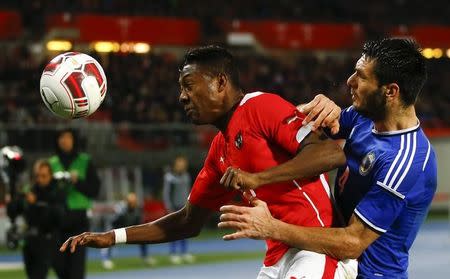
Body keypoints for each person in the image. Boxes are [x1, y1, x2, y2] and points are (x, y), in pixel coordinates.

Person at [60, 45, 354, 278]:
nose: (182, 97)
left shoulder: (260, 106)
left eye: (189, 86)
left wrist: (257, 178)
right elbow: (188, 221)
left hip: (317, 248)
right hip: (277, 255)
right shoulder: (219, 151)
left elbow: (329, 153)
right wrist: (112, 237)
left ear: (221, 82)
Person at [218, 38, 437, 279]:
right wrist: (319, 108)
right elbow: (296, 133)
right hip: (330, 263)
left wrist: (271, 228)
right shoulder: (362, 118)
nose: (350, 81)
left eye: (361, 76)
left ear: (391, 91)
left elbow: (353, 241)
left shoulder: (406, 160)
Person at [50, 129, 101, 279]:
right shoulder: (52, 162)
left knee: (76, 268)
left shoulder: (85, 160)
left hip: (78, 219)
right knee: (58, 264)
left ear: (74, 140)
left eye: (68, 137)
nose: (64, 140)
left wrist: (77, 181)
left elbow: (94, 190)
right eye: (61, 137)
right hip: (57, 219)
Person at [7, 159, 66, 279]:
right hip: (30, 241)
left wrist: (36, 202)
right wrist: (12, 201)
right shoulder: (30, 190)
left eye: (43, 176)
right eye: (37, 176)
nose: (40, 179)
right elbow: (13, 212)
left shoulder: (57, 192)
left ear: (50, 175)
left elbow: (59, 216)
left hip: (49, 241)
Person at [101, 192, 155, 269]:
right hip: (116, 227)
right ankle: (106, 259)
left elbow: (139, 222)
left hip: (128, 227)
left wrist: (138, 231)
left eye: (134, 201)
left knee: (143, 238)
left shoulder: (138, 209)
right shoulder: (120, 208)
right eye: (131, 201)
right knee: (108, 241)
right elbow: (113, 221)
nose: (133, 203)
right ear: (127, 201)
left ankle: (145, 257)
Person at [162, 155, 195, 264]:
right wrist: (169, 208)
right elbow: (166, 194)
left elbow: (189, 191)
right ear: (175, 165)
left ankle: (184, 253)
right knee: (173, 230)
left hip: (184, 206)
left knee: (184, 230)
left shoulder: (186, 176)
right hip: (174, 208)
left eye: (183, 164)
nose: (182, 166)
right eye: (180, 163)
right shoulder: (169, 177)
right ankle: (173, 253)